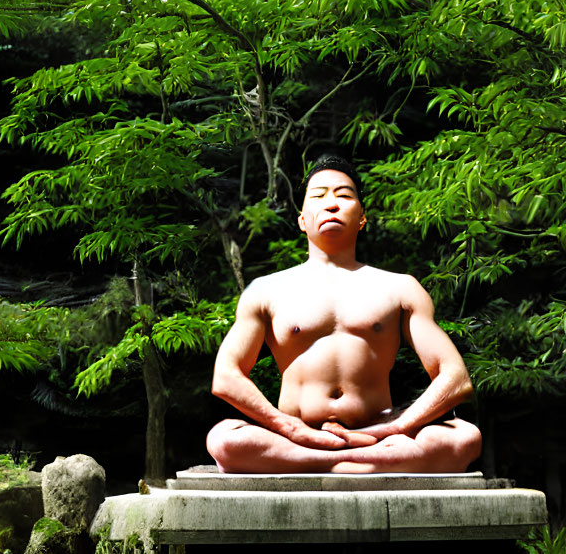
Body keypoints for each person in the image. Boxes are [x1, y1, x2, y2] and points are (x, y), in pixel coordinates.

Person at [206, 155, 482, 474]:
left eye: (344, 195)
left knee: (465, 437)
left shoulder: (400, 287)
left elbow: (455, 378)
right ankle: (343, 461)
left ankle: (338, 460)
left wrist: (394, 428)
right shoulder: (266, 290)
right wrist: (292, 430)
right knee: (225, 439)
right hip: (295, 436)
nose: (332, 203)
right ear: (302, 220)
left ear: (362, 218)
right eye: (319, 195)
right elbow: (226, 376)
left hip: (376, 435)